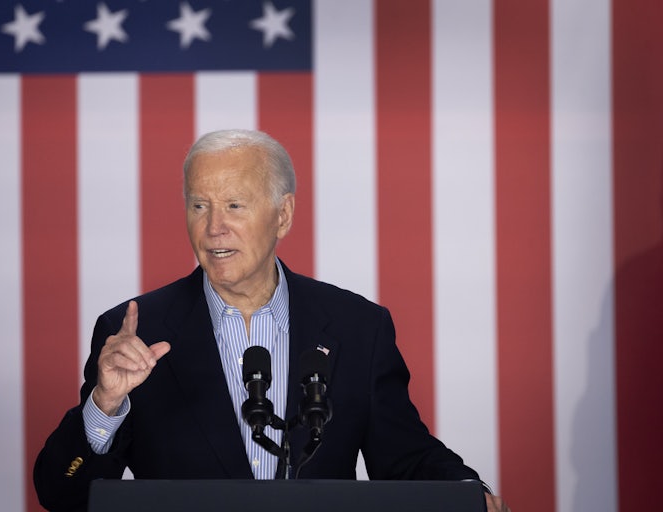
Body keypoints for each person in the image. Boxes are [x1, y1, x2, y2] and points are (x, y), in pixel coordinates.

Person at [33, 129, 511, 512]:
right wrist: (106, 403)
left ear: (282, 215)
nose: (214, 227)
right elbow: (63, 497)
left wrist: (468, 493)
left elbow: (405, 457)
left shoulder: (356, 328)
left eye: (235, 206)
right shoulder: (135, 332)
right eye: (199, 206)